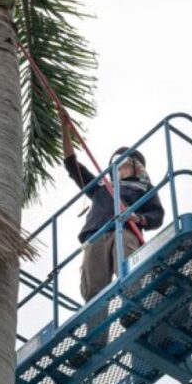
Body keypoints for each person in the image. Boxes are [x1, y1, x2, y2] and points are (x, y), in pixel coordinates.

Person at [60, 116, 165, 304]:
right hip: (95, 235)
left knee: (128, 269)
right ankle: (96, 329)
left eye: (126, 164)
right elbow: (72, 165)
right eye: (118, 164)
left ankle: (133, 308)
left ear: (137, 168)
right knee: (94, 290)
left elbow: (157, 215)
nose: (121, 168)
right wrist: (65, 129)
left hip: (124, 231)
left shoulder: (143, 188)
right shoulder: (102, 186)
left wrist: (138, 218)